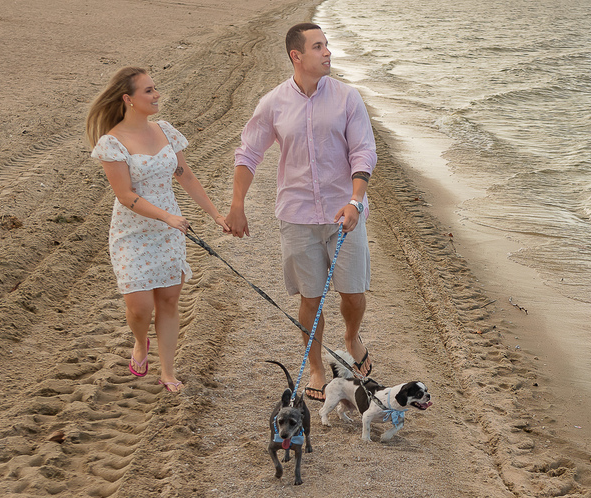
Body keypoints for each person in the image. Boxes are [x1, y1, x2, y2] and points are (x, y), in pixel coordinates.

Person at [226, 22, 377, 400]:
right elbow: (248, 153)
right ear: (296, 55)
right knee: (310, 299)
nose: (327, 52)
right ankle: (315, 367)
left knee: (352, 293)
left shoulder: (347, 97)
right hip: (297, 216)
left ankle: (351, 337)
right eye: (318, 47)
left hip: (346, 214)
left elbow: (363, 151)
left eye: (327, 45)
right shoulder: (273, 103)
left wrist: (355, 200)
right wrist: (237, 205)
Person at [86, 67, 230, 393]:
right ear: (128, 99)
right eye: (149, 90)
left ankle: (167, 371)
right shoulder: (112, 143)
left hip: (169, 231)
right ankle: (140, 342)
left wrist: (215, 214)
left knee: (168, 300)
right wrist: (166, 217)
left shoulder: (165, 130)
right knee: (139, 307)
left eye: (155, 88)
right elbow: (125, 195)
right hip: (132, 232)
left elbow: (185, 174)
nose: (157, 95)